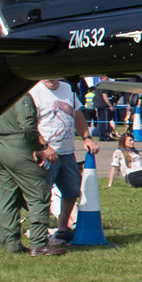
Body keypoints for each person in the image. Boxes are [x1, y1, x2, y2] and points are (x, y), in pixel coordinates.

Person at [0, 92, 64, 257]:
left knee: (8, 197)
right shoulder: (21, 96)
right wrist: (38, 147)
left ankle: (10, 242)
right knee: (39, 193)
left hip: (0, 146)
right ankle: (39, 244)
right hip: (19, 147)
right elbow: (28, 126)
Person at [31, 78, 88, 243]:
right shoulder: (34, 91)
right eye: (45, 75)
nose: (50, 79)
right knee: (41, 194)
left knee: (72, 191)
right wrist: (44, 146)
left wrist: (87, 137)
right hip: (46, 153)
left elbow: (77, 114)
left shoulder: (67, 88)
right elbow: (30, 123)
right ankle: (39, 234)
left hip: (67, 152)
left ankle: (63, 229)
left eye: (53, 74)